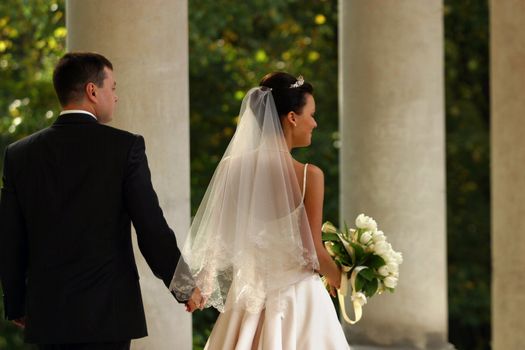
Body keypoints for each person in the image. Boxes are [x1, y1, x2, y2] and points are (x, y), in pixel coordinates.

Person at [0, 52, 201, 350]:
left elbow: (10, 238)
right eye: (113, 88)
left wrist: (16, 303)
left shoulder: (19, 155)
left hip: (48, 314)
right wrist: (185, 287)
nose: (116, 97)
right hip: (109, 314)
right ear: (93, 91)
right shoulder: (125, 147)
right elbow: (151, 228)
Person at [171, 72, 349, 349]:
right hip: (299, 302)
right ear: (292, 117)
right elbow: (311, 249)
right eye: (311, 115)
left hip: (246, 301)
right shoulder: (308, 176)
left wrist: (202, 285)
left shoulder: (233, 169)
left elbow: (216, 238)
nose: (314, 123)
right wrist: (344, 277)